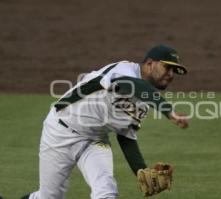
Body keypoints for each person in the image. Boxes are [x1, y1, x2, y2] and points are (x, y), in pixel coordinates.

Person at [22, 44, 189, 199]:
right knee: (49, 197)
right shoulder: (124, 70)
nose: (171, 74)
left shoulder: (144, 104)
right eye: (167, 67)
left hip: (95, 141)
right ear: (150, 63)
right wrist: (168, 111)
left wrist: (141, 170)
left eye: (174, 71)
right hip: (60, 131)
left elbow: (126, 136)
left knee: (106, 191)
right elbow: (133, 84)